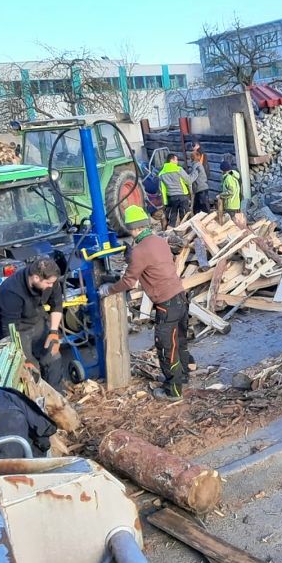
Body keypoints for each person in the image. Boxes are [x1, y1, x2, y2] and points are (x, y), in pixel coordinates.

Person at [99, 205, 192, 400]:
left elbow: (128, 282)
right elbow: (153, 264)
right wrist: (132, 258)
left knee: (166, 348)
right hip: (181, 298)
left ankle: (173, 391)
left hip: (166, 304)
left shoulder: (139, 251)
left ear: (132, 228)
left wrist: (108, 289)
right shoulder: (160, 241)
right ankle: (182, 377)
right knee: (179, 342)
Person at [0, 256, 67, 390]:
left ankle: (58, 396)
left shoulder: (50, 280)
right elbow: (9, 329)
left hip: (35, 318)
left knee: (53, 356)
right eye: (48, 283)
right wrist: (22, 358)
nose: (51, 286)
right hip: (15, 328)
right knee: (30, 369)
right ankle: (36, 399)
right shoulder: (11, 291)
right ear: (36, 278)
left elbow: (57, 305)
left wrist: (53, 332)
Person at [158, 153, 191, 227]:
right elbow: (188, 181)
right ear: (171, 160)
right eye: (176, 160)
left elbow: (162, 190)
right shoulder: (179, 169)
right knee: (185, 217)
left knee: (171, 218)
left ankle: (169, 230)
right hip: (182, 196)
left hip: (171, 198)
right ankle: (185, 230)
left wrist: (165, 202)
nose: (177, 161)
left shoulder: (161, 174)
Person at [189, 149, 210, 214]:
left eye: (190, 157)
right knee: (196, 208)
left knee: (203, 207)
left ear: (192, 158)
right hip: (200, 189)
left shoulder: (196, 166)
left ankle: (207, 218)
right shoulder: (197, 165)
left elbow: (193, 177)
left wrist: (186, 178)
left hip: (201, 189)